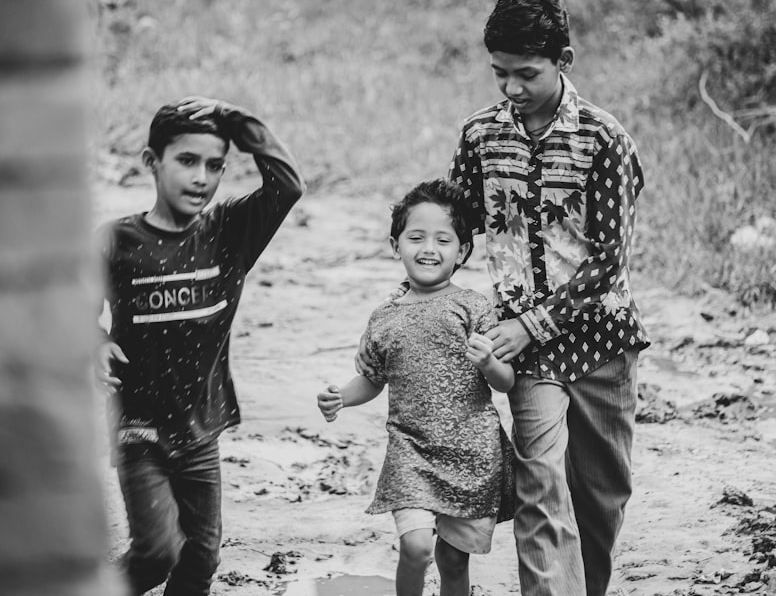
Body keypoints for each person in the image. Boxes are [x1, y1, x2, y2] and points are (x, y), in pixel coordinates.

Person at [359, 0, 649, 596]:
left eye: (526, 74)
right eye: (500, 75)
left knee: (601, 497)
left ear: (562, 62)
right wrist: (417, 295)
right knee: (541, 488)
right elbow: (453, 226)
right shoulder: (482, 135)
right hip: (528, 351)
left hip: (601, 339)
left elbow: (608, 265)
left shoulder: (606, 142)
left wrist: (530, 324)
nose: (512, 89)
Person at [95, 96, 305, 596]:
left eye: (215, 166)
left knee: (201, 558)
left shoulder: (230, 232)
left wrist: (236, 118)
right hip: (137, 427)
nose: (201, 178)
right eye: (187, 161)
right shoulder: (116, 241)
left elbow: (288, 184)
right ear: (152, 162)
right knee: (156, 551)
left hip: (201, 428)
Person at [319, 179, 516, 596]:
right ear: (396, 246)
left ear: (462, 252)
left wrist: (489, 362)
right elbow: (373, 379)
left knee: (451, 559)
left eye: (443, 240)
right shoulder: (384, 317)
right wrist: (342, 397)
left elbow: (505, 381)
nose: (429, 248)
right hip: (411, 451)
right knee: (416, 546)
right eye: (416, 237)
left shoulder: (473, 308)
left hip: (471, 454)